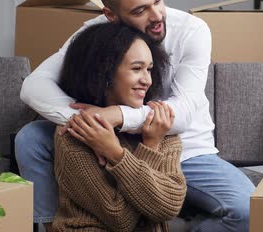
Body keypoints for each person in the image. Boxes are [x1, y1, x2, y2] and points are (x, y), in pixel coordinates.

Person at [16, 0, 255, 232]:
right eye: (140, 10)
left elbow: (183, 113)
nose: (156, 16)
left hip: (183, 151)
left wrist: (116, 116)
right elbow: (34, 85)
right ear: (111, 14)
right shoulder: (94, 33)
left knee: (249, 211)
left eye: (158, 1)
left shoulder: (192, 31)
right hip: (106, 144)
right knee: (31, 137)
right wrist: (89, 125)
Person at [52, 23, 185, 231]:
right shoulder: (76, 133)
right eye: (136, 68)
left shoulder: (158, 127)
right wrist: (139, 152)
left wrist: (117, 153)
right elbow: (119, 218)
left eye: (149, 69)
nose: (147, 80)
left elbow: (168, 207)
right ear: (103, 72)